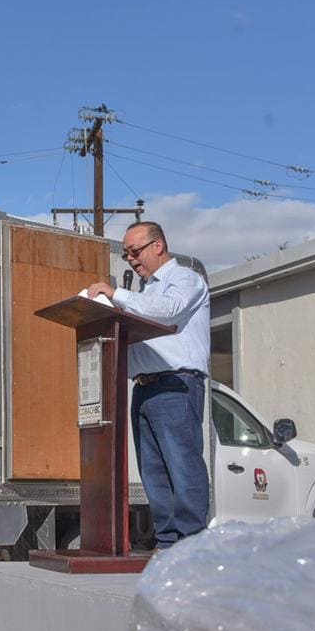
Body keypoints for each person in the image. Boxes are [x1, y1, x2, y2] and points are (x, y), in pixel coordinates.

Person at [87, 221, 211, 551]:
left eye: (135, 251)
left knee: (182, 466)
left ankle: (190, 543)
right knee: (153, 472)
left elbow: (166, 312)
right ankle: (168, 542)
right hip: (144, 388)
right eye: (126, 253)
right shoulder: (148, 290)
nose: (130, 258)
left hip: (175, 386)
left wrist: (115, 294)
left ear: (158, 246)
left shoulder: (184, 279)